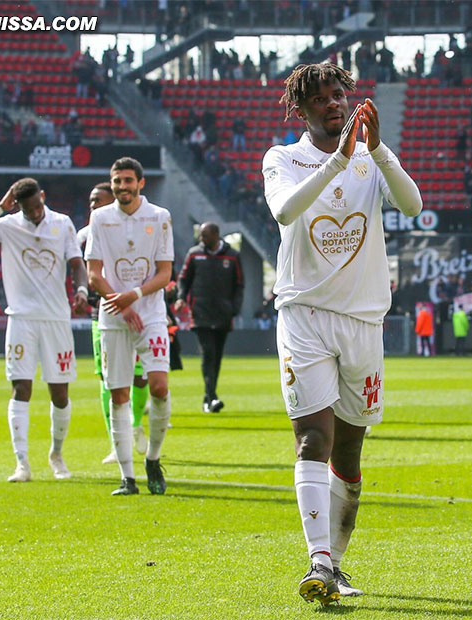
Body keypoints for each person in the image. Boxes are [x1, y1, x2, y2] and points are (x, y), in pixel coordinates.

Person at [262, 63, 422, 605]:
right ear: (300, 108)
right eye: (321, 98)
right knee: (313, 438)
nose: (334, 104)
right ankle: (318, 562)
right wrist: (337, 160)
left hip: (364, 321)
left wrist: (376, 152)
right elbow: (285, 211)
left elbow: (414, 205)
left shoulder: (373, 158)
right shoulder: (283, 159)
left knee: (349, 454)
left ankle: (336, 565)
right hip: (304, 315)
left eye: (339, 95)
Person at [0, 178, 88, 482]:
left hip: (56, 318)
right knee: (21, 388)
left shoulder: (62, 223)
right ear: (16, 205)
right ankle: (22, 464)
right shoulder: (7, 225)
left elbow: (76, 263)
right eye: (28, 209)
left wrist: (82, 289)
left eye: (38, 206)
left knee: (59, 392)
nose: (35, 214)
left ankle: (56, 454)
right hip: (20, 318)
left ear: (43, 198)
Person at [85, 157, 174, 496]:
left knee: (159, 387)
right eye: (116, 181)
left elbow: (164, 273)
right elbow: (94, 273)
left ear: (141, 183)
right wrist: (120, 305)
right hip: (113, 317)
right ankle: (128, 477)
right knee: (119, 394)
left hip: (150, 315)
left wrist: (133, 296)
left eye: (127, 180)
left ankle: (152, 458)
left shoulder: (159, 216)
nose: (121, 186)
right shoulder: (100, 218)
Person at [77, 182, 150, 465]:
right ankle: (115, 442)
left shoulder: (141, 226)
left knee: (140, 376)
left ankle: (134, 424)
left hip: (140, 311)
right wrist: (82, 291)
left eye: (99, 200)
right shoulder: (85, 234)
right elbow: (79, 265)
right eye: (91, 201)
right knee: (107, 379)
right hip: (104, 313)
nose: (94, 206)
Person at [175, 222, 244, 413]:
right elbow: (184, 279)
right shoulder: (194, 254)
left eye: (204, 235)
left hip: (223, 314)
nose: (201, 239)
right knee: (208, 354)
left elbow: (239, 284)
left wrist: (234, 308)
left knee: (217, 357)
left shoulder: (233, 256)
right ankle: (211, 398)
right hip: (200, 313)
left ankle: (208, 397)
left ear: (216, 235)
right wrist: (181, 298)